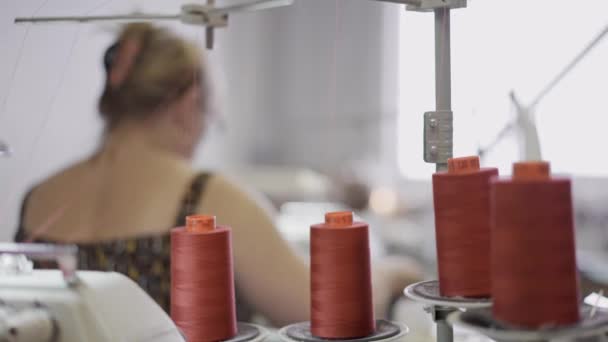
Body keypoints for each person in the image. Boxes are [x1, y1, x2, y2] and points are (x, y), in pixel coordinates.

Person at [14, 23, 421, 326]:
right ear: (189, 105)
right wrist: (394, 272)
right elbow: (328, 308)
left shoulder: (39, 197)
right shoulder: (204, 198)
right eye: (211, 119)